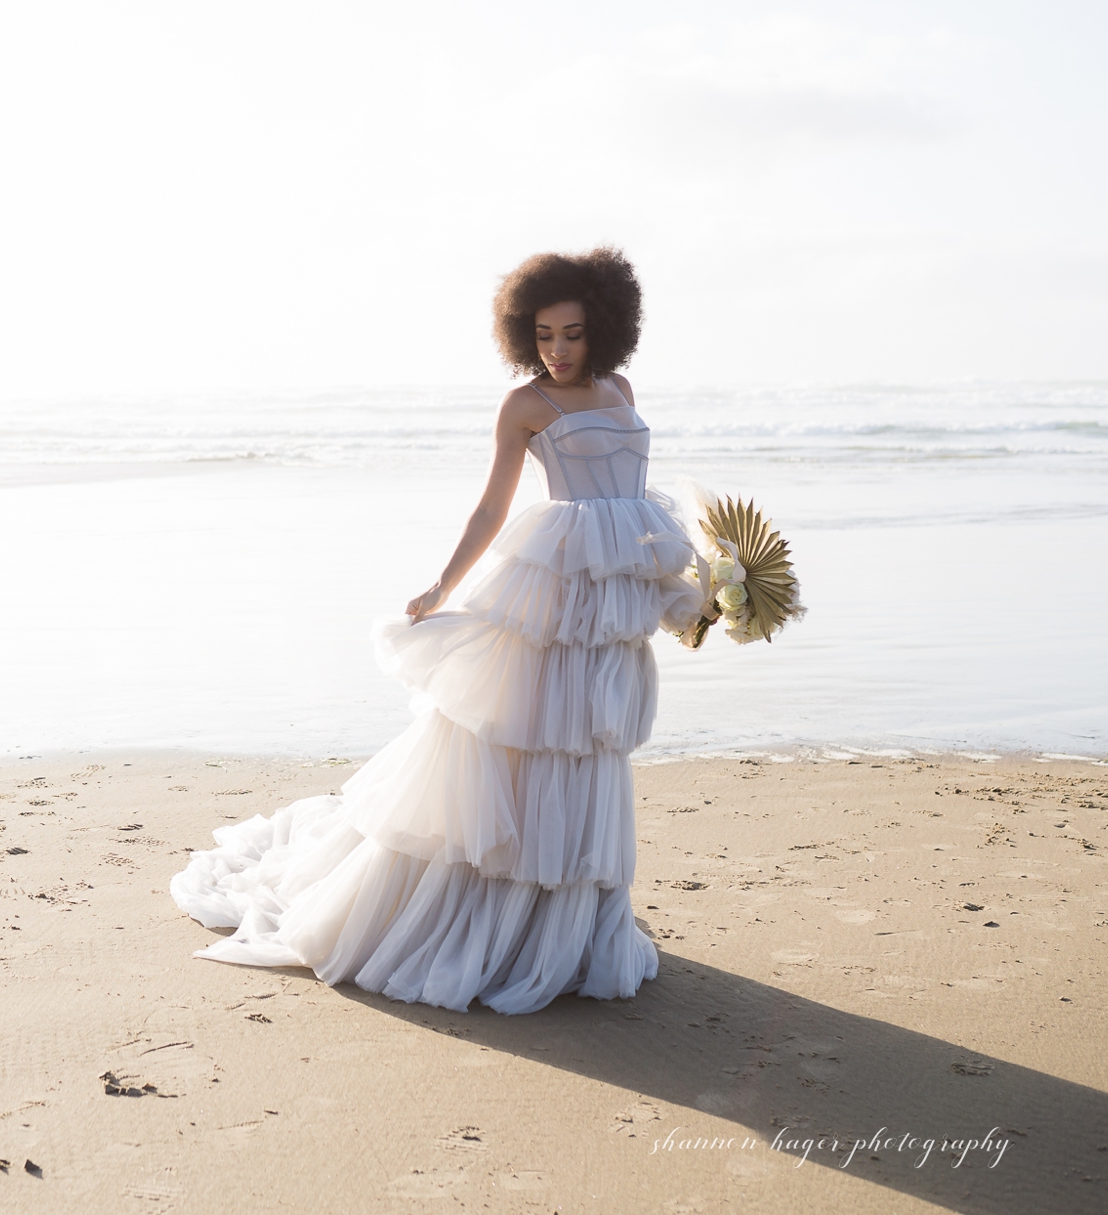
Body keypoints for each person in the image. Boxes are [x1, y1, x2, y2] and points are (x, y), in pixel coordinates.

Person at [169, 246, 708, 1015]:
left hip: (612, 598)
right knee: (527, 743)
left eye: (573, 333)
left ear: (605, 331)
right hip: (554, 591)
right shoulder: (527, 406)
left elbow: (635, 500)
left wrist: (690, 592)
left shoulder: (620, 387)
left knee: (592, 744)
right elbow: (491, 508)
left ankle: (574, 922)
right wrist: (442, 585)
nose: (557, 350)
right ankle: (501, 920)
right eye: (545, 334)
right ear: (525, 335)